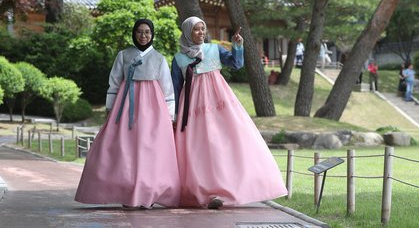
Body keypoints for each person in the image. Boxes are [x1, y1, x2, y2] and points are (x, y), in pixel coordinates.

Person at [172, 17, 287, 209]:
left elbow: (236, 64)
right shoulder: (178, 59)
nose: (201, 32)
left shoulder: (214, 49)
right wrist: (175, 115)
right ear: (187, 32)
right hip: (191, 107)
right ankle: (202, 192)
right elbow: (176, 87)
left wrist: (237, 46)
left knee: (225, 144)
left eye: (203, 28)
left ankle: (227, 189)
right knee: (198, 149)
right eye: (196, 30)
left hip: (219, 103)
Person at [75, 19, 180, 208]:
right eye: (139, 32)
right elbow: (114, 83)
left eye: (147, 32)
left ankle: (147, 193)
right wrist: (109, 108)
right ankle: (126, 191)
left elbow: (167, 89)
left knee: (149, 149)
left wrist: (170, 115)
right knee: (124, 148)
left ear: (152, 34)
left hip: (153, 109)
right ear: (134, 33)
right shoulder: (123, 55)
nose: (143, 35)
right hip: (125, 107)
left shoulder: (159, 58)